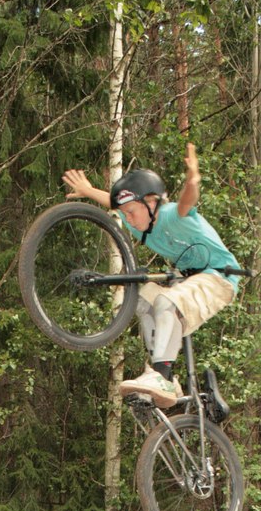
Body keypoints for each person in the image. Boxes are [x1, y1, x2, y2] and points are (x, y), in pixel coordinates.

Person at [62, 143, 240, 409]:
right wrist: (88, 191)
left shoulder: (170, 216)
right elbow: (116, 204)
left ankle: (161, 376)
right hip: (188, 281)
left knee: (167, 301)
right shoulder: (142, 228)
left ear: (152, 203)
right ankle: (168, 379)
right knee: (137, 298)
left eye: (133, 213)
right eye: (126, 215)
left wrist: (193, 179)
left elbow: (187, 201)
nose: (129, 220)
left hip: (220, 278)